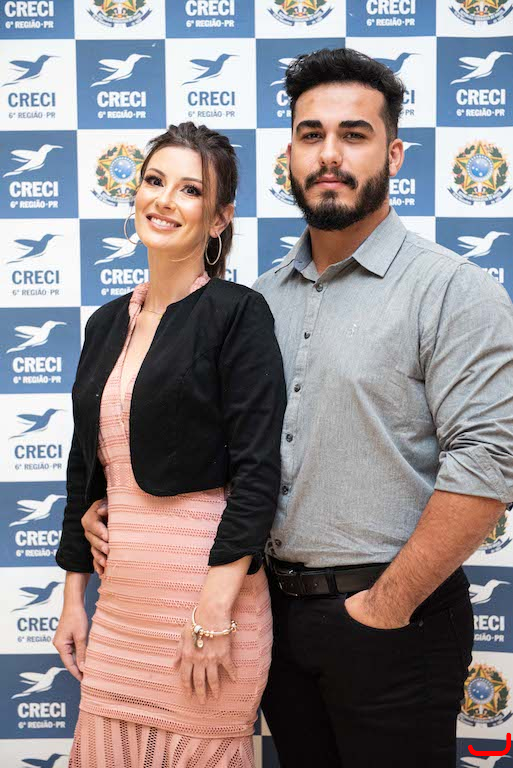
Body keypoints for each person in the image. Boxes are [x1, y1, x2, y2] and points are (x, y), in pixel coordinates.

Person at [81, 50, 513, 767]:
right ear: (290, 154)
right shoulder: (254, 303)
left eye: (354, 134)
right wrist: (115, 502)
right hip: (272, 618)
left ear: (393, 154)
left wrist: (383, 608)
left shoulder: (452, 290)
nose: (329, 154)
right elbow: (215, 449)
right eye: (311, 135)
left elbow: (489, 463)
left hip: (392, 619)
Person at [53, 121, 286, 768]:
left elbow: (258, 472)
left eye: (190, 190)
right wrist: (73, 598)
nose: (164, 200)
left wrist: (213, 613)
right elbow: (85, 469)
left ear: (219, 219)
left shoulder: (238, 313)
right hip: (121, 612)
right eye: (154, 180)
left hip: (206, 606)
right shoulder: (105, 323)